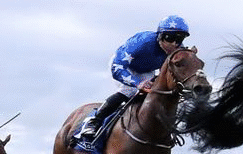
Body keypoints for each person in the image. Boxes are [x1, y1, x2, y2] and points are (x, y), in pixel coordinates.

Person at [76, 15, 191, 145]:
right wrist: (137, 83)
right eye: (170, 38)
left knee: (156, 96)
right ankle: (93, 121)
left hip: (146, 71)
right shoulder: (142, 42)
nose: (174, 44)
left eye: (179, 39)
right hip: (123, 67)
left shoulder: (178, 50)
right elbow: (117, 67)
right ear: (160, 35)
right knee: (129, 91)